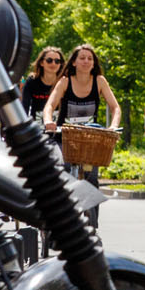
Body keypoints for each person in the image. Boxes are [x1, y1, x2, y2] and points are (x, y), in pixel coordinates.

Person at [42, 44, 123, 187]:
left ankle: (91, 210)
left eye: (90, 58)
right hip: (65, 138)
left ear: (93, 63)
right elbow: (49, 106)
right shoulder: (65, 81)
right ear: (74, 62)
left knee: (91, 179)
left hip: (89, 140)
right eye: (82, 58)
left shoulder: (99, 81)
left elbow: (115, 107)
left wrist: (113, 126)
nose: (86, 61)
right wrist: (48, 121)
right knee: (64, 169)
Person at [21, 45, 64, 119]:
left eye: (57, 61)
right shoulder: (31, 81)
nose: (53, 64)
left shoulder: (64, 81)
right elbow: (25, 107)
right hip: (37, 125)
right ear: (41, 63)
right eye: (49, 60)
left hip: (59, 125)